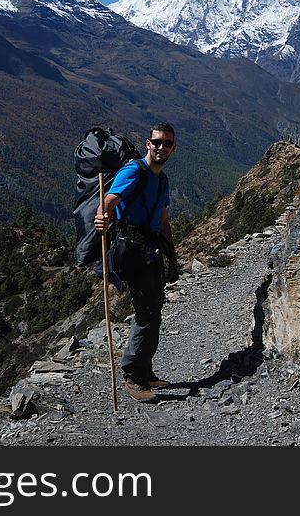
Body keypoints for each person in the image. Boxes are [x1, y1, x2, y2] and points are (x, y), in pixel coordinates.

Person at [94, 122, 177, 403]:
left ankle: (144, 371)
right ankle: (132, 376)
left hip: (151, 250)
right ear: (147, 143)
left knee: (155, 308)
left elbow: (163, 219)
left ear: (173, 148)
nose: (161, 147)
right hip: (131, 250)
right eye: (157, 142)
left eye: (166, 143)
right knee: (146, 311)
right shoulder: (134, 171)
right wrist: (101, 217)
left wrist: (172, 254)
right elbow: (110, 200)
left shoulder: (162, 180)